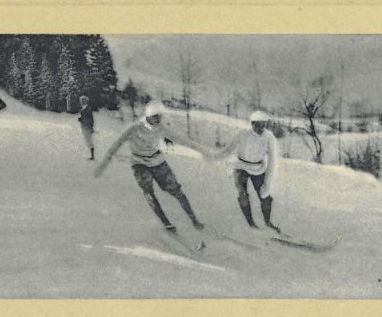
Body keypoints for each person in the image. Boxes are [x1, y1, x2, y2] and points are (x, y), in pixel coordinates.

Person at [94, 101, 209, 233]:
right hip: (139, 163)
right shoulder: (134, 128)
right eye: (155, 116)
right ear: (148, 116)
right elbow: (116, 144)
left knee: (176, 190)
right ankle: (166, 222)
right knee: (148, 191)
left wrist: (202, 150)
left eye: (160, 116)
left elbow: (181, 139)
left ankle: (194, 219)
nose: (158, 119)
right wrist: (104, 163)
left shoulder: (161, 128)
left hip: (157, 161)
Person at [208, 111, 280, 232]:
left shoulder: (269, 137)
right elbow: (228, 150)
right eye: (258, 125)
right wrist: (214, 157)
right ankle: (251, 223)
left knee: (265, 196)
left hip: (258, 168)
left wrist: (267, 184)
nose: (261, 129)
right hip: (241, 167)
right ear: (252, 124)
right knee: (242, 195)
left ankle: (268, 222)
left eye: (263, 125)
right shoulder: (242, 134)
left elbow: (273, 160)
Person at [77, 95, 96, 160]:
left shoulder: (88, 109)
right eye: (81, 100)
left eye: (83, 100)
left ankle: (92, 156)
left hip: (87, 127)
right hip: (85, 127)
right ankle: (92, 155)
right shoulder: (82, 109)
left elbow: (91, 119)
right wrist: (81, 120)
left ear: (86, 101)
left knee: (89, 141)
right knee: (87, 141)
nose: (82, 102)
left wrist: (91, 127)